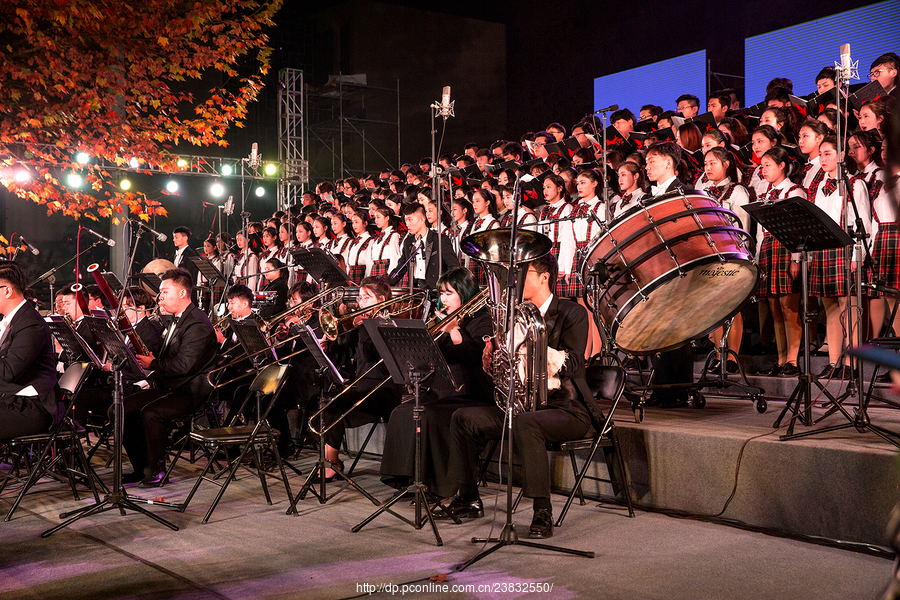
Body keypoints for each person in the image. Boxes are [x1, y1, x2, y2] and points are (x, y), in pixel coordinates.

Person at [443, 253, 598, 539]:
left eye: (524, 274)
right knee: (463, 418)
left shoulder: (571, 312)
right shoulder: (513, 315)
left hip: (566, 408)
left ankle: (542, 511)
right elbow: (507, 369)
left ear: (544, 277)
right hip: (522, 404)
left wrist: (529, 347)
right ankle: (468, 497)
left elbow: (574, 364)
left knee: (527, 423)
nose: (514, 282)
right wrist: (493, 358)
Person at [380, 267, 493, 498]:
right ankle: (409, 479)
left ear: (465, 293)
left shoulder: (482, 320)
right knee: (403, 411)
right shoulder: (445, 319)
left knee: (428, 415)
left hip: (474, 395)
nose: (443, 299)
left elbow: (475, 358)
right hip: (446, 391)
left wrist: (454, 330)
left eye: (449, 293)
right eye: (441, 293)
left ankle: (437, 487)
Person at [119, 268, 218, 487]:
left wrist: (153, 363)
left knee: (151, 413)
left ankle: (157, 470)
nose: (160, 297)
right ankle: (141, 467)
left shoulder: (197, 323)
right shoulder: (177, 318)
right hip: (171, 386)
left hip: (191, 391)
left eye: (164, 292)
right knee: (120, 409)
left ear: (182, 293)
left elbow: (184, 365)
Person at [320, 277, 403, 481]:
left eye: (366, 297)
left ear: (381, 300)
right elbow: (344, 345)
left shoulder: (388, 324)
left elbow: (373, 355)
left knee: (333, 408)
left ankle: (331, 464)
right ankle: (331, 462)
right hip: (362, 387)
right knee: (323, 404)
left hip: (382, 392)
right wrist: (328, 343)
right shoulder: (363, 325)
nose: (360, 302)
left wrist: (366, 327)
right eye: (360, 297)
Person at [808, 135, 871, 380]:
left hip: (845, 247)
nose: (823, 158)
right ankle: (834, 361)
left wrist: (859, 254)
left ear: (841, 156)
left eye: (828, 153)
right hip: (824, 248)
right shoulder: (818, 185)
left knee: (849, 307)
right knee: (830, 308)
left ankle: (852, 362)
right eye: (821, 154)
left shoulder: (855, 184)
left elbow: (863, 221)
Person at [756, 147, 806, 377]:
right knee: (775, 308)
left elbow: (799, 230)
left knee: (789, 308)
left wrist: (796, 259)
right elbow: (759, 232)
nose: (763, 169)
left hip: (786, 250)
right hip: (767, 250)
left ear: (782, 165)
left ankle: (793, 360)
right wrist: (757, 257)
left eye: (768, 165)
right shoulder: (765, 195)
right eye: (762, 165)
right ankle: (781, 357)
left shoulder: (795, 192)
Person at [0, 261, 61, 440]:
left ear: (7, 291)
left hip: (32, 407)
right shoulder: (12, 320)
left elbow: (8, 372)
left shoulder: (30, 323)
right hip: (10, 399)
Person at [388, 202, 459, 290]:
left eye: (410, 219)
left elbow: (454, 266)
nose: (407, 224)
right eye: (406, 220)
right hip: (415, 288)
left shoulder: (440, 239)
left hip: (436, 288)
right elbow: (401, 267)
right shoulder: (408, 242)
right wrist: (386, 283)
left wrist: (445, 286)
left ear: (422, 220)